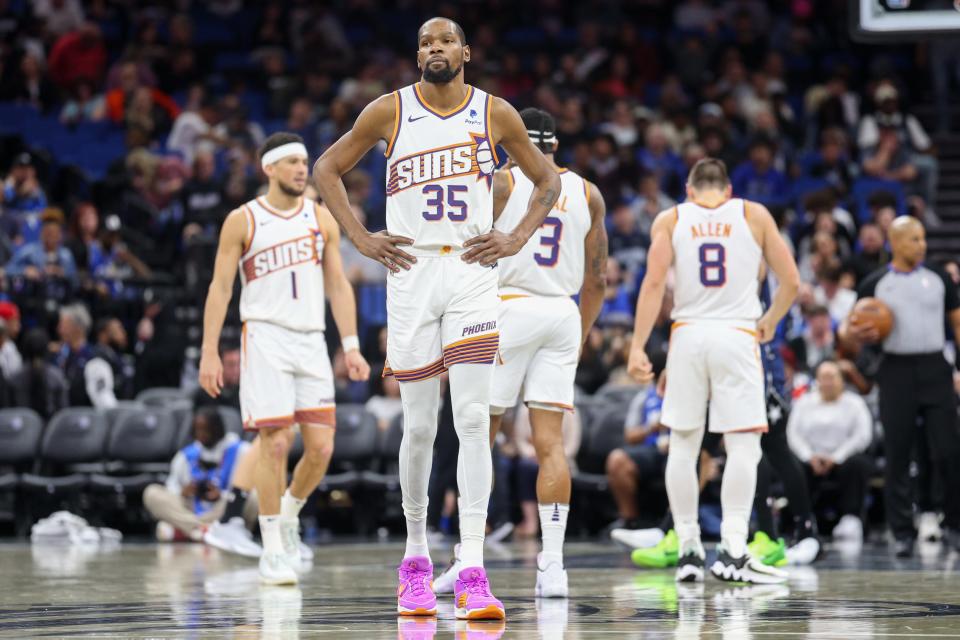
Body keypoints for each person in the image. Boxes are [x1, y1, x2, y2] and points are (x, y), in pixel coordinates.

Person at [313, 17, 560, 620]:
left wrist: (514, 237)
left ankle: (473, 566)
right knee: (420, 425)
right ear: (417, 55)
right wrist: (360, 238)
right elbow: (325, 170)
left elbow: (547, 181)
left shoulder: (494, 112)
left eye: (445, 40)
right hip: (412, 271)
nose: (434, 49)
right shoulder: (388, 110)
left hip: (473, 271)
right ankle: (416, 559)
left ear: (466, 52)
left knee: (474, 419)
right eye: (425, 42)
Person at [433, 108, 606, 600]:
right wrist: (581, 331)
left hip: (508, 309)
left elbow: (464, 255)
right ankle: (552, 566)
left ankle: (470, 559)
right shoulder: (588, 192)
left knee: (478, 436)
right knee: (549, 444)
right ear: (554, 144)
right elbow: (597, 278)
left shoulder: (506, 183)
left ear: (515, 142)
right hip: (563, 314)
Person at [198, 131, 370, 586]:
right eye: (292, 161)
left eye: (304, 161)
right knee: (274, 444)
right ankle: (271, 548)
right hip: (266, 338)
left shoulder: (321, 218)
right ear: (269, 168)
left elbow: (338, 285)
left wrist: (350, 346)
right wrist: (210, 350)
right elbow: (220, 288)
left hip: (312, 340)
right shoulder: (243, 220)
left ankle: (291, 512)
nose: (301, 168)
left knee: (322, 448)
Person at [627, 158, 799, 584]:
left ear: (688, 189)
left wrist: (636, 347)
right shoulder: (752, 214)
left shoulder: (670, 218)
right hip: (737, 334)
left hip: (687, 334)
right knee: (743, 447)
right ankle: (733, 548)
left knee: (683, 447)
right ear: (728, 190)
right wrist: (771, 320)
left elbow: (652, 285)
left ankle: (686, 550)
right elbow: (792, 280)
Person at [844, 216, 960, 557]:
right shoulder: (875, 283)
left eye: (923, 238)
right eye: (913, 240)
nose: (921, 245)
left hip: (934, 366)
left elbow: (956, 321)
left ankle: (953, 523)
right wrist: (854, 333)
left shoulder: (938, 277)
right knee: (897, 452)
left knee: (948, 449)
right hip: (895, 370)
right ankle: (902, 531)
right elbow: (848, 331)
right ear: (894, 243)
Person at [786, 360, 873, 550]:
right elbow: (793, 435)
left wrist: (837, 457)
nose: (827, 382)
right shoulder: (804, 403)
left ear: (841, 380)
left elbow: (862, 436)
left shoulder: (855, 403)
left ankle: (851, 519)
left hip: (843, 460)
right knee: (792, 467)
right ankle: (804, 517)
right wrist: (809, 456)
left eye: (831, 377)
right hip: (811, 460)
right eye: (823, 378)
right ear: (816, 380)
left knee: (859, 463)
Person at [143, 408, 255, 542]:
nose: (201, 434)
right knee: (151, 493)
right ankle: (203, 530)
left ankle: (184, 530)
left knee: (254, 497)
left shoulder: (241, 450)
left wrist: (221, 495)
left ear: (218, 429)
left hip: (223, 506)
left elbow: (246, 488)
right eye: (197, 430)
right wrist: (183, 492)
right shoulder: (186, 455)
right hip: (191, 506)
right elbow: (171, 486)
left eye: (206, 430)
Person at [54, 303, 119, 409]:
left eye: (63, 325)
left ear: (77, 328)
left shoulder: (95, 358)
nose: (59, 330)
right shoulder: (61, 356)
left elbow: (104, 400)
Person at [10, 328, 68, 420]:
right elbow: (63, 409)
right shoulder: (56, 376)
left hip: (24, 429)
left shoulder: (15, 378)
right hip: (47, 428)